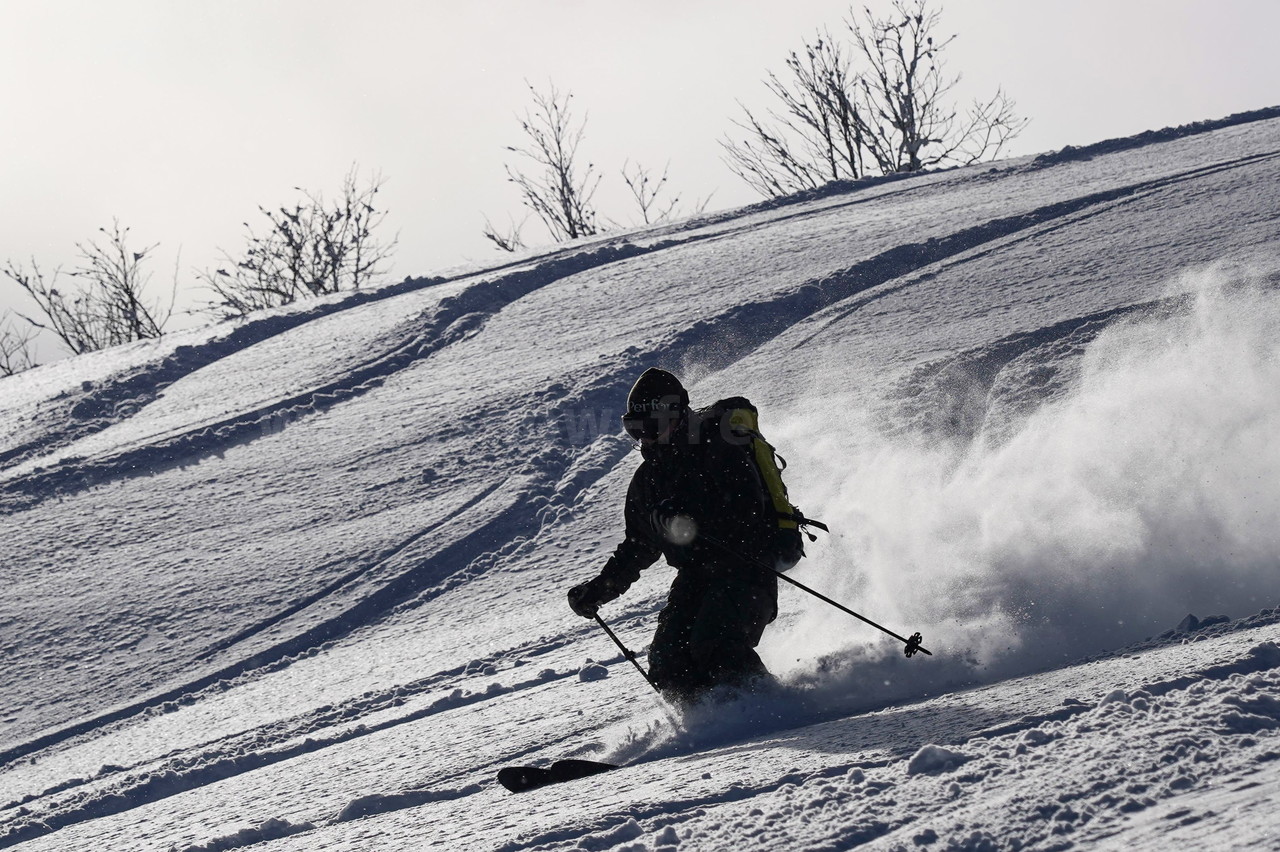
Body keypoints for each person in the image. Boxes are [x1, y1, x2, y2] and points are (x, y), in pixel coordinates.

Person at [567, 368, 791, 705]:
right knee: (668, 659)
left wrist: (689, 521)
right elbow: (638, 546)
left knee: (715, 642)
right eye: (635, 430)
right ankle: (706, 724)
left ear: (678, 417)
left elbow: (747, 515)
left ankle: (773, 707)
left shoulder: (720, 451)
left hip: (747, 566)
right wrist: (598, 591)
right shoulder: (648, 480)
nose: (645, 439)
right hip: (697, 576)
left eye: (651, 427)